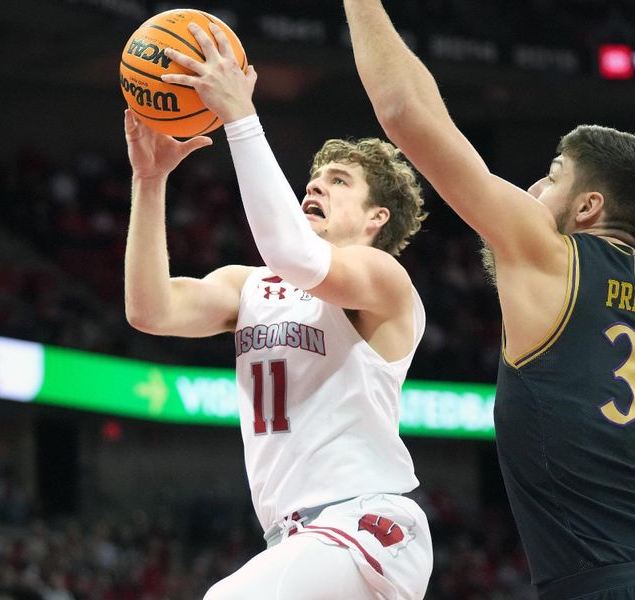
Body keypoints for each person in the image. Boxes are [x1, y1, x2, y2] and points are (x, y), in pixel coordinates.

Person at [342, 1, 635, 598]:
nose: (533, 189)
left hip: (608, 584)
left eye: (552, 176)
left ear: (587, 208)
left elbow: (408, 113)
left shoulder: (547, 253)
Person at [123, 22, 433, 600]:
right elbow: (150, 309)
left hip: (364, 524)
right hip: (295, 537)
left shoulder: (384, 281)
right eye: (313, 179)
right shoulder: (251, 287)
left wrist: (241, 115)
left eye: (338, 182)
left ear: (377, 219)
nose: (314, 188)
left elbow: (290, 249)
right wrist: (149, 180)